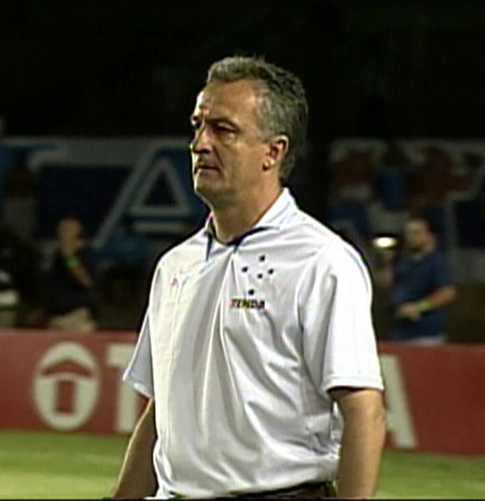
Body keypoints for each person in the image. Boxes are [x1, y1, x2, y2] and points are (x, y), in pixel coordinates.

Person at [111, 56, 386, 499]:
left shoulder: (322, 261)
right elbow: (162, 414)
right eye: (198, 126)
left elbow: (364, 412)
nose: (200, 143)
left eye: (223, 129)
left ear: (273, 152)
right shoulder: (175, 266)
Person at [374, 214, 457, 344]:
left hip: (425, 333)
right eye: (408, 233)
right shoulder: (404, 261)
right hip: (399, 331)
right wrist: (386, 263)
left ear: (430, 236)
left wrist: (418, 307)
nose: (410, 237)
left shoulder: (436, 262)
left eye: (416, 232)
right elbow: (385, 283)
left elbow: (448, 292)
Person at [44, 216, 99, 333]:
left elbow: (85, 280)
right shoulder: (58, 255)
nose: (62, 234)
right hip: (56, 317)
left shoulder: (86, 253)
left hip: (77, 316)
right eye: (61, 230)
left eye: (67, 230)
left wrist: (69, 258)